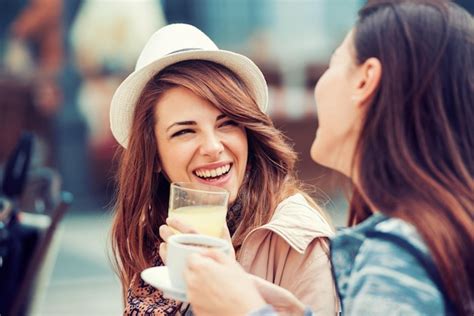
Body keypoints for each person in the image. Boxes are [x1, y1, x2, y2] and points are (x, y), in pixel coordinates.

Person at [183, 1, 474, 315]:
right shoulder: (432, 232)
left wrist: (246, 311)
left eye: (335, 62)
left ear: (365, 80)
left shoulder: (397, 257)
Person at [109, 24, 338, 315]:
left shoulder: (297, 239)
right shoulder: (153, 236)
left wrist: (230, 285)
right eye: (184, 132)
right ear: (153, 155)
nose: (213, 146)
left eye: (226, 123)